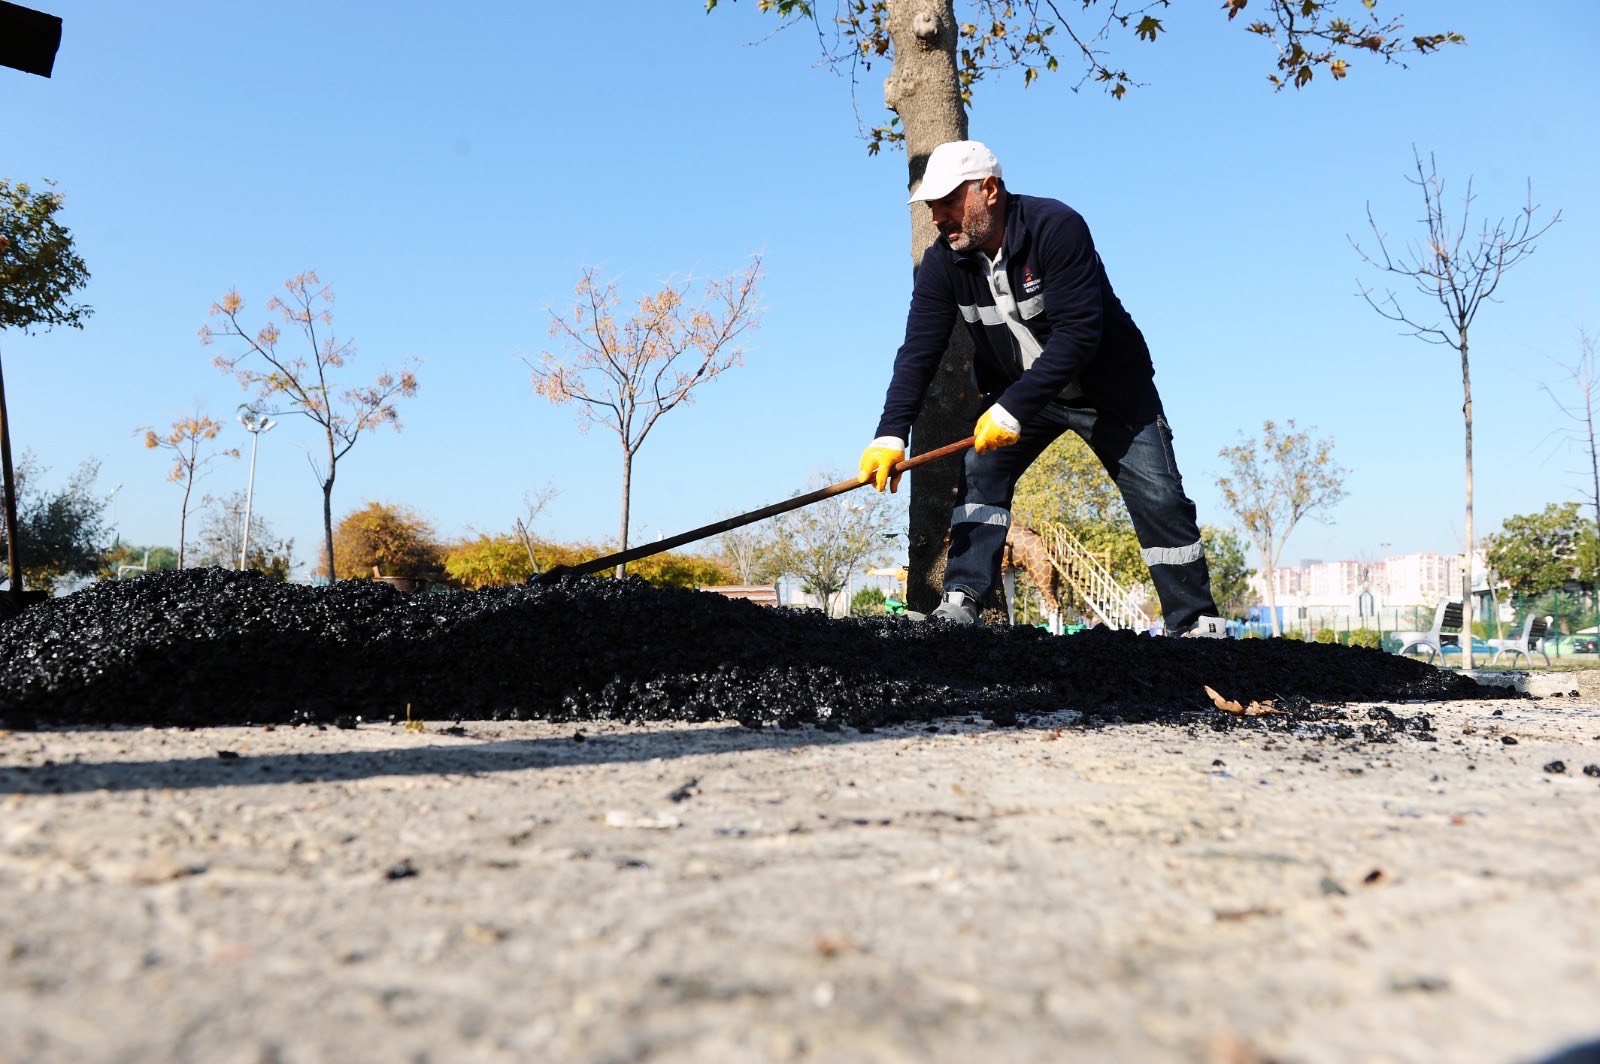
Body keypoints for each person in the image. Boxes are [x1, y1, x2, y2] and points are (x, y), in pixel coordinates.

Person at [857, 140, 1223, 634]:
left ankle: (1198, 626)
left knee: (1160, 498)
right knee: (981, 472)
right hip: (1022, 397)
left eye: (949, 202)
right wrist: (889, 434)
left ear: (988, 189)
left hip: (1112, 394)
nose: (938, 216)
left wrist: (1011, 409)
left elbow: (1079, 335)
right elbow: (918, 353)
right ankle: (961, 606)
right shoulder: (942, 263)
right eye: (931, 206)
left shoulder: (1056, 227)